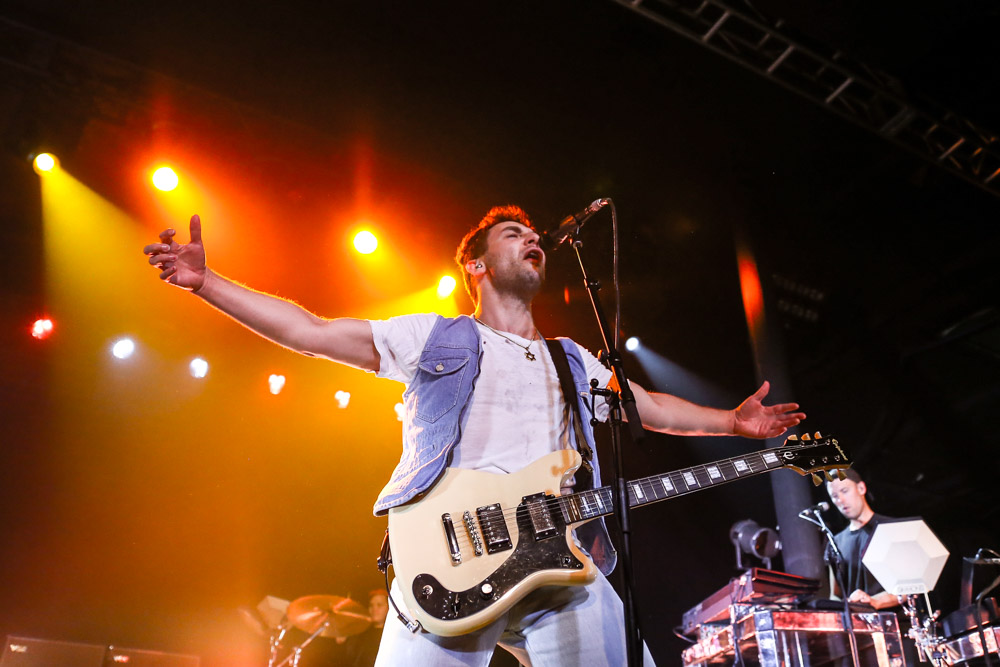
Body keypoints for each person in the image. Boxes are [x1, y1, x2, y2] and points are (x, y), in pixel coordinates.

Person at [143, 205, 805, 666]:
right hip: (451, 551)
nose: (533, 239)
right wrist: (207, 283)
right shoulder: (434, 335)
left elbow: (646, 406)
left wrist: (732, 423)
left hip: (561, 556)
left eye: (534, 234)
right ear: (478, 266)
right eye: (514, 234)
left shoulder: (572, 358)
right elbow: (310, 332)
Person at [825, 468, 899, 610]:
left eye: (845, 491)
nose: (841, 499)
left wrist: (874, 601)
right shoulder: (835, 543)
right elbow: (835, 594)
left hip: (896, 619)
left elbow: (911, 586)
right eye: (834, 496)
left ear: (861, 488)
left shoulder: (892, 529)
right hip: (856, 622)